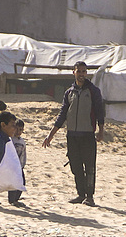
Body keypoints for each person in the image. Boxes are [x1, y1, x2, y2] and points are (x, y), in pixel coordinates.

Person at [43, 61, 107, 204]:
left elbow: (99, 112)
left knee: (89, 167)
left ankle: (90, 197)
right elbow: (62, 114)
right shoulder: (69, 93)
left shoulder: (93, 91)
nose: (81, 74)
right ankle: (81, 194)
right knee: (76, 166)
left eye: (84, 72)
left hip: (88, 135)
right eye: (79, 71)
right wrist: (50, 135)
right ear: (74, 72)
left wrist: (101, 131)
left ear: (86, 73)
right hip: (72, 135)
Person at [5, 116, 29, 207]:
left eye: (21, 130)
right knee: (13, 183)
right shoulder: (10, 140)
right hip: (11, 165)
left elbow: (23, 153)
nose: (19, 132)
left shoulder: (22, 141)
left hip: (19, 165)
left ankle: (16, 199)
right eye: (18, 129)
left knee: (21, 182)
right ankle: (12, 200)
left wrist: (22, 164)